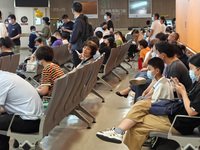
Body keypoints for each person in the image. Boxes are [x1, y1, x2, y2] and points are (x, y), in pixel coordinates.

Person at [96, 57, 179, 150]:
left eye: (149, 69)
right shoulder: (161, 81)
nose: (147, 71)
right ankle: (119, 131)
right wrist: (146, 97)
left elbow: (156, 104)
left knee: (137, 114)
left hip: (162, 112)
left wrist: (144, 100)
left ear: (157, 71)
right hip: (162, 108)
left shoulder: (162, 85)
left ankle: (119, 131)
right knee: (134, 117)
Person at [0, 70, 44, 150]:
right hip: (36, 119)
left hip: (28, 122)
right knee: (2, 119)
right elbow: (5, 108)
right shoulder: (7, 76)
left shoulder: (1, 81)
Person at [68, 2, 88, 67]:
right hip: (82, 45)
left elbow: (75, 34)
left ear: (73, 10)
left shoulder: (79, 20)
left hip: (78, 46)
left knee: (78, 66)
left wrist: (70, 43)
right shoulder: (84, 19)